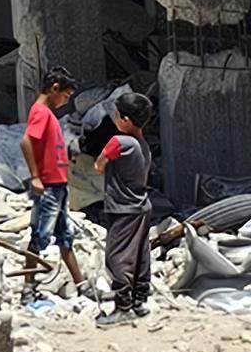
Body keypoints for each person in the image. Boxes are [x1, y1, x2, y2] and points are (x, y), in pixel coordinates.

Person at [94, 88, 169, 318]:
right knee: (139, 256)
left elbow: (98, 165)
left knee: (117, 256)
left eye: (117, 115)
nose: (115, 119)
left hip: (123, 208)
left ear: (125, 120)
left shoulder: (119, 141)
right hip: (141, 206)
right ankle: (139, 301)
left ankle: (123, 307)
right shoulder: (142, 144)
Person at [22, 70, 91, 303]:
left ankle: (81, 285)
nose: (66, 101)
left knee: (65, 236)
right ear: (54, 89)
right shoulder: (41, 112)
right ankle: (28, 288)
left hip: (58, 184)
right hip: (49, 186)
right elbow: (26, 142)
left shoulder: (47, 114)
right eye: (66, 96)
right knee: (39, 237)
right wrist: (35, 177)